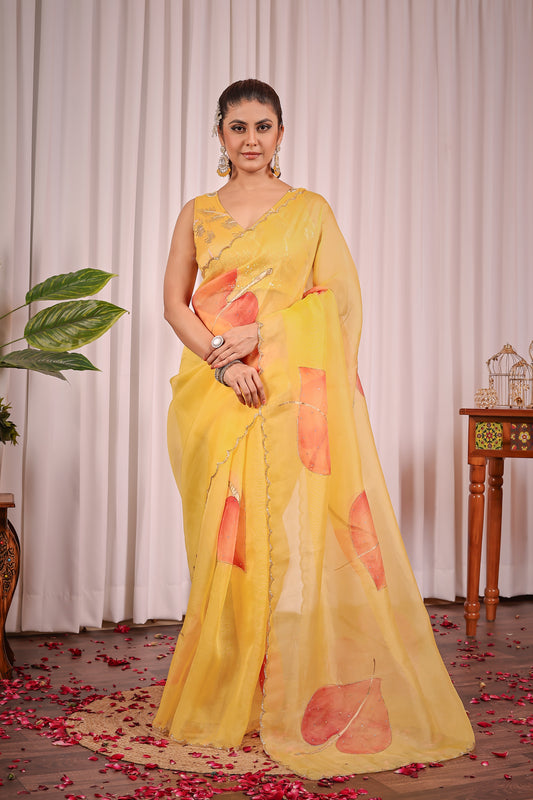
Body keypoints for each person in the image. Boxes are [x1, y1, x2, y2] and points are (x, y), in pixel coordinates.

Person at [154, 79, 474, 779]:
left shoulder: (310, 211)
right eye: (237, 127)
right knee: (227, 545)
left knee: (286, 539)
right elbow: (175, 304)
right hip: (216, 396)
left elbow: (338, 302)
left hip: (289, 393)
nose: (250, 140)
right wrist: (222, 363)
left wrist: (262, 334)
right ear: (219, 135)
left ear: (280, 133)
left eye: (262, 126)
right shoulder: (198, 213)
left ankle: (286, 686)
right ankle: (232, 691)